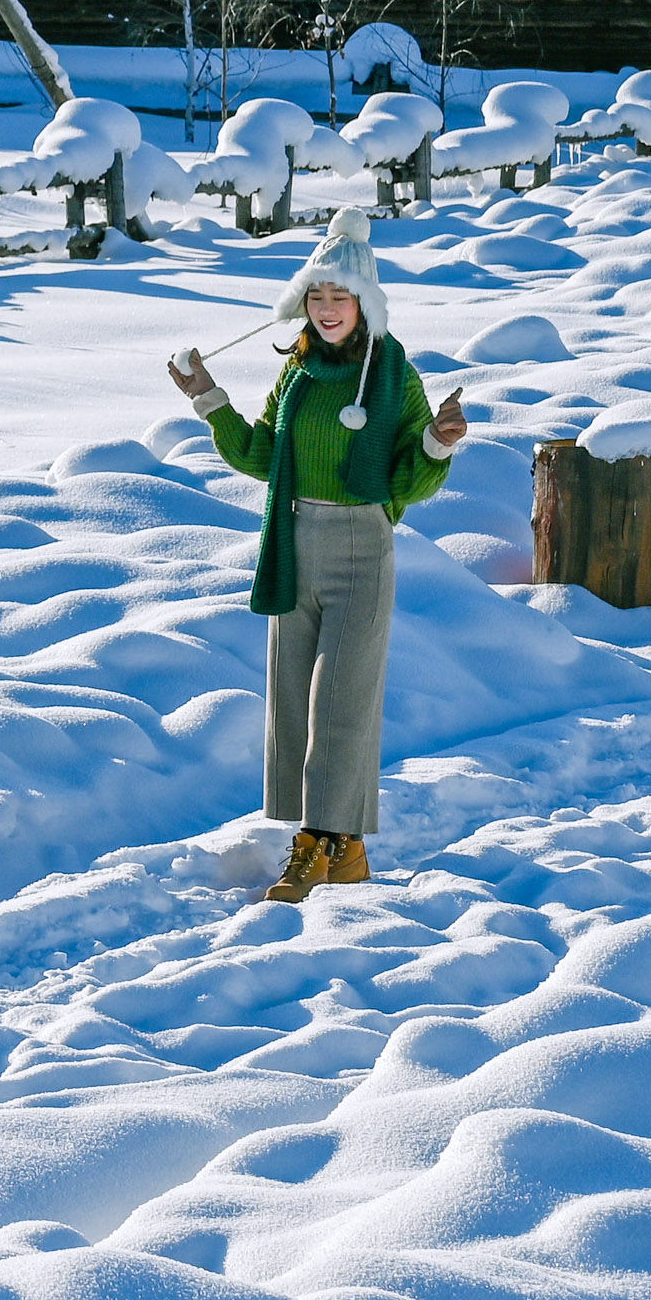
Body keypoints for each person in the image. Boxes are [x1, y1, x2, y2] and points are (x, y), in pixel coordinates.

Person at [166, 211, 467, 904]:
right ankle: (347, 847)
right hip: (293, 543)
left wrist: (438, 443)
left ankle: (312, 845)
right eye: (317, 296)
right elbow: (260, 456)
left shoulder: (395, 376)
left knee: (340, 700)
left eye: (340, 296)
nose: (327, 309)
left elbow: (406, 484)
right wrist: (207, 399)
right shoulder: (298, 374)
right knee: (296, 705)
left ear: (365, 302)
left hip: (362, 542)